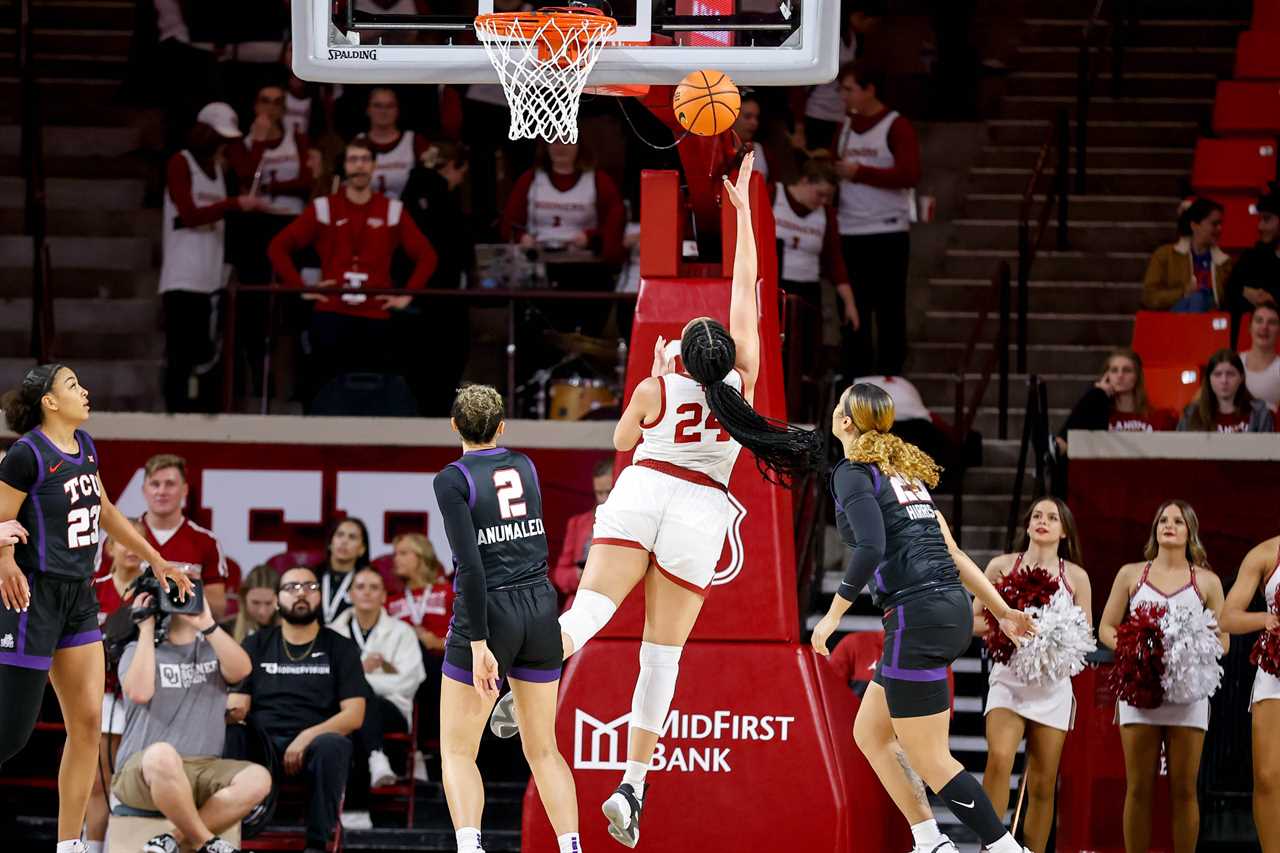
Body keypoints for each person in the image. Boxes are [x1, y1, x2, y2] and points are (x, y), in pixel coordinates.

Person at [489, 153, 826, 847]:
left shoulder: (656, 386)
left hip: (645, 489)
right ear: (726, 354)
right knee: (660, 658)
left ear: (681, 356)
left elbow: (620, 439)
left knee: (583, 618)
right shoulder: (746, 381)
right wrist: (741, 215)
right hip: (700, 510)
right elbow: (748, 287)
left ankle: (515, 686)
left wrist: (650, 378)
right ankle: (632, 786)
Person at [809, 382, 1036, 853]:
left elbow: (870, 547)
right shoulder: (901, 475)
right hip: (944, 608)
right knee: (870, 733)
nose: (834, 411)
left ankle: (1004, 848)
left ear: (847, 422)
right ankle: (929, 840)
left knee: (931, 758)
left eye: (838, 405)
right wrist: (1002, 610)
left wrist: (833, 616)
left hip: (918, 614)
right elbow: (953, 552)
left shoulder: (853, 472)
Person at [0, 363, 193, 853]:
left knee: (86, 723)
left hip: (78, 598)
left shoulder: (85, 448)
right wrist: (4, 561)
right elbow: (1, 519)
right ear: (48, 401)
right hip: (31, 597)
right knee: (11, 736)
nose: (84, 391)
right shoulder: (25, 456)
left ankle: (70, 845)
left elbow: (106, 510)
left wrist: (158, 559)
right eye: (72, 386)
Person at [432, 384, 582, 853]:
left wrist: (478, 644)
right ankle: (572, 847)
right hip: (539, 605)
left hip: (489, 610)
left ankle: (471, 847)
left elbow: (470, 566)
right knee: (543, 750)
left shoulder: (451, 479)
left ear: (454, 426)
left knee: (458, 750)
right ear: (501, 427)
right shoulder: (525, 465)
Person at [1097, 500, 1227, 853]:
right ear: (1155, 529)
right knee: (1139, 787)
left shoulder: (1208, 582)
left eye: (1178, 521)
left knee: (1184, 789)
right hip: (1140, 690)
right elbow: (1106, 628)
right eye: (1163, 520)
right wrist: (1134, 646)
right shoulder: (1131, 574)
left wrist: (1193, 648)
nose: (1170, 525)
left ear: (1190, 532)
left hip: (1188, 696)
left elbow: (1224, 638)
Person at [267, 138, 438, 401]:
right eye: (353, 160)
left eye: (365, 160)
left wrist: (407, 295)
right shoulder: (324, 207)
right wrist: (302, 288)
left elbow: (427, 256)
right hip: (332, 313)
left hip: (376, 316)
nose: (359, 166)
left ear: (374, 166)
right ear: (344, 166)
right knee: (325, 390)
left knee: (376, 395)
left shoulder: (392, 209)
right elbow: (277, 247)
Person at [974, 497, 1092, 853]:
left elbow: (1085, 634)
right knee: (1000, 758)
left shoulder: (1077, 577)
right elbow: (974, 620)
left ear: (1064, 530)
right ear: (1027, 525)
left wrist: (1051, 635)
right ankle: (991, 847)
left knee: (1042, 782)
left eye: (1053, 517)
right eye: (1037, 515)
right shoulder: (1001, 567)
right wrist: (1006, 624)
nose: (1044, 521)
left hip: (1052, 685)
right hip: (1009, 677)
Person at [114, 588, 270, 853]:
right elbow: (140, 692)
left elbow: (243, 669)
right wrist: (146, 628)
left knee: (258, 777)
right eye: (174, 595)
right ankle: (206, 842)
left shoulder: (213, 649)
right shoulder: (137, 649)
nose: (182, 601)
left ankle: (172, 840)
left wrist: (207, 623)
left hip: (202, 768)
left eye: (189, 593)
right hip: (143, 770)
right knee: (163, 754)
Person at [226, 566, 366, 853]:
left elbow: (354, 714)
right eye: (291, 587)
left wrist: (306, 737)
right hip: (262, 743)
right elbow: (239, 705)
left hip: (316, 743)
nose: (301, 593)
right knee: (232, 734)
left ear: (319, 597)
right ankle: (231, 832)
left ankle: (318, 843)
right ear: (277, 600)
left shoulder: (341, 648)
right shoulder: (256, 643)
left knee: (334, 744)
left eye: (310, 587)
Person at [160, 102, 268, 412]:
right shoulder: (180, 163)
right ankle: (174, 415)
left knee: (205, 354)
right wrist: (233, 204)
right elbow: (190, 213)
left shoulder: (217, 170)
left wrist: (258, 139)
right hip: (183, 276)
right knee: (180, 355)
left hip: (210, 276)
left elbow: (247, 172)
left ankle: (198, 412)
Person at [834, 61, 921, 380]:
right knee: (853, 309)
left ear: (870, 90)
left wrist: (862, 173)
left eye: (849, 89)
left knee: (889, 309)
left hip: (887, 231)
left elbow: (910, 174)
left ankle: (890, 376)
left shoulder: (896, 126)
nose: (843, 96)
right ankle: (854, 376)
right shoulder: (845, 126)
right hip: (849, 229)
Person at [331, 566, 426, 827]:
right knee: (354, 715)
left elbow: (409, 681)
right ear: (350, 594)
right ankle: (375, 757)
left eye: (374, 587)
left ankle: (353, 810)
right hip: (343, 713)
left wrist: (356, 680)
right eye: (360, 587)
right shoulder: (331, 632)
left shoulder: (402, 632)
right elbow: (324, 682)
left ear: (384, 596)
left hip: (392, 711)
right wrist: (361, 673)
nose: (367, 593)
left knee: (358, 703)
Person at [96, 453, 230, 620]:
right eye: (155, 484)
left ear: (185, 490)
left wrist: (190, 587)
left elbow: (218, 609)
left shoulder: (206, 542)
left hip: (185, 640)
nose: (161, 491)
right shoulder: (120, 535)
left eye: (170, 484)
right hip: (127, 637)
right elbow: (98, 594)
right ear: (144, 490)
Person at [87, 521, 149, 853]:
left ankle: (120, 847)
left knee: (126, 783)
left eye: (137, 539)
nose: (129, 545)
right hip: (99, 693)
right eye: (122, 539)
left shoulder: (153, 590)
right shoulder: (91, 586)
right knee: (97, 779)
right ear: (108, 547)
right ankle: (91, 846)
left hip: (141, 698)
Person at [1220, 532, 1280, 852]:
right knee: (1269, 778)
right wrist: (1266, 619)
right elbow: (1228, 617)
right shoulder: (1266, 553)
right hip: (1275, 670)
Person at [386, 531, 451, 779]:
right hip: (400, 672)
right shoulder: (389, 602)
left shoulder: (446, 593)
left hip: (441, 665)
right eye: (395, 554)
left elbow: (470, 639)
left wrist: (435, 641)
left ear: (421, 556)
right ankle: (418, 752)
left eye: (403, 553)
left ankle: (425, 750)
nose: (396, 560)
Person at [1056, 348, 1175, 457]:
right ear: (1106, 377)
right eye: (1114, 370)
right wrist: (1098, 392)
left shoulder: (1160, 417)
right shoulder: (1098, 418)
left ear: (1137, 376)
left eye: (1127, 370)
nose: (1120, 375)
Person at [1140, 197, 1232, 312]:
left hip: (1211, 321)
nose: (1220, 229)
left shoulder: (1225, 263)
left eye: (1220, 224)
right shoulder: (1165, 255)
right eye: (1214, 224)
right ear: (1194, 226)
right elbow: (1149, 297)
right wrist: (1183, 292)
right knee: (1197, 298)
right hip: (1176, 319)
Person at [551, 458, 614, 609]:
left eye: (609, 492)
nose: (604, 499)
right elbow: (560, 573)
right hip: (581, 602)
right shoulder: (578, 523)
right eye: (599, 493)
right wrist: (578, 575)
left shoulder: (633, 523)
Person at [1222, 188, 1280, 341]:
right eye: (1259, 220)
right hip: (1248, 344)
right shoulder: (1252, 256)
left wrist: (1273, 301)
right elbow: (1229, 290)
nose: (1260, 227)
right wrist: (1245, 292)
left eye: (1266, 220)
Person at [1176, 349, 1274, 432]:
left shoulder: (1260, 414)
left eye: (1230, 374)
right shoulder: (1191, 414)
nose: (1224, 380)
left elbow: (1268, 452)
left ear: (1241, 378)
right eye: (1217, 374)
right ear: (1209, 379)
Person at [363, 87, 431, 200]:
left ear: (398, 110)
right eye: (377, 105)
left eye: (390, 106)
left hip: (407, 212)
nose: (383, 111)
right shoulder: (357, 143)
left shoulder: (415, 142)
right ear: (368, 109)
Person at [315, 517, 371, 625]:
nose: (344, 541)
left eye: (352, 537)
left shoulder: (368, 582)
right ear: (330, 543)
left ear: (362, 549)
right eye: (340, 535)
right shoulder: (311, 577)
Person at [1242, 301, 1280, 412]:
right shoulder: (1233, 363)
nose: (1264, 327)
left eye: (1272, 322)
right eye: (1259, 321)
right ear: (1250, 327)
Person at [226, 564, 280, 643]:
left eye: (269, 603)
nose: (262, 611)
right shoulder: (225, 631)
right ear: (244, 598)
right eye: (255, 603)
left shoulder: (295, 630)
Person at [732, 92, 769, 179]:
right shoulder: (719, 149)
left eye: (756, 118)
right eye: (747, 117)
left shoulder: (759, 148)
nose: (754, 123)